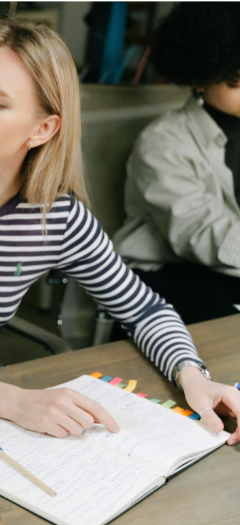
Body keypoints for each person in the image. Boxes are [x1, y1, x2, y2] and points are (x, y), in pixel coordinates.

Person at [0, 19, 240, 448]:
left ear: (43, 129)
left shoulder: (57, 216)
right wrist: (11, 401)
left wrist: (192, 375)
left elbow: (144, 310)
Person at [113, 3, 240, 325]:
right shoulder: (163, 143)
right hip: (169, 276)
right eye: (237, 81)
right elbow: (203, 235)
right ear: (200, 77)